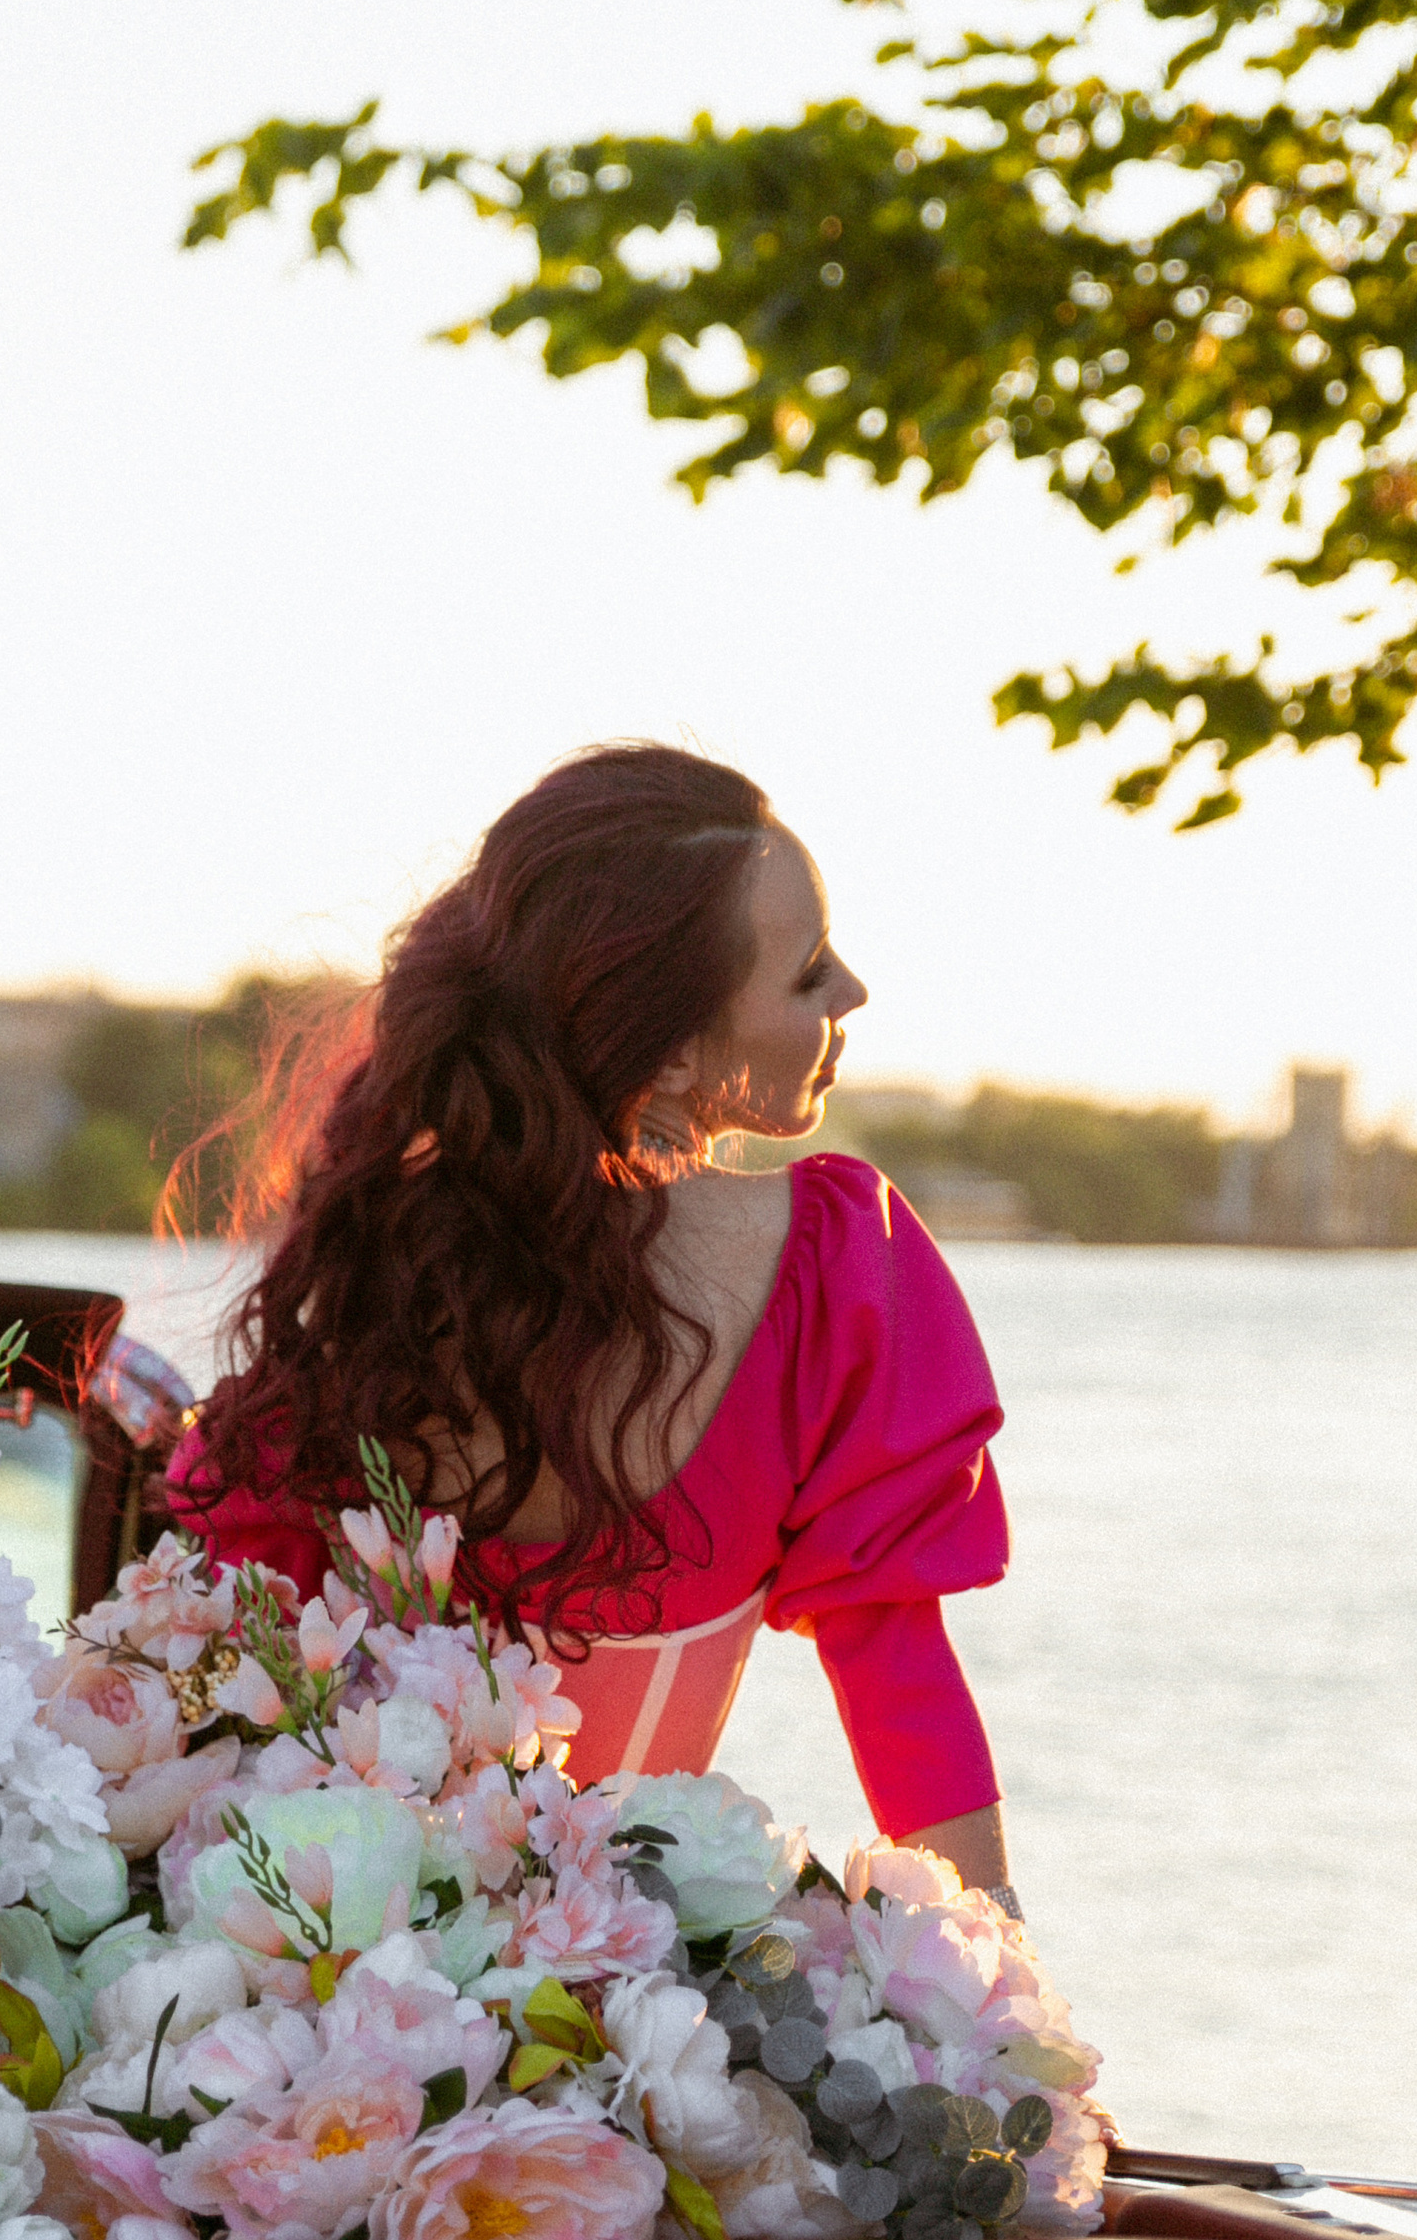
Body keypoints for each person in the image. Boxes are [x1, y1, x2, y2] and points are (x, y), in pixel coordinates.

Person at [160, 743, 1017, 1903]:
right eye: (809, 971)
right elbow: (898, 1678)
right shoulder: (834, 1267)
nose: (851, 993)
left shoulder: (378, 1280)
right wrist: (996, 1966)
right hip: (626, 1979)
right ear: (672, 1045)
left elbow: (215, 1707)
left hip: (323, 1960)